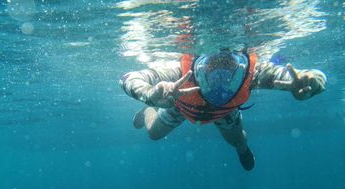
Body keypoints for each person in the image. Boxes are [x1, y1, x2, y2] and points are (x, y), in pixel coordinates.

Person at [119, 49, 327, 171]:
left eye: (229, 75)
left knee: (238, 140)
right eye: (213, 74)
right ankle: (149, 109)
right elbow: (128, 78)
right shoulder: (179, 71)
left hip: (220, 110)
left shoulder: (253, 74)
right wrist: (149, 93)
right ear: (197, 69)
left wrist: (309, 82)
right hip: (180, 103)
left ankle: (242, 149)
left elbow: (310, 75)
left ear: (242, 70)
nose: (219, 86)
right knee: (154, 134)